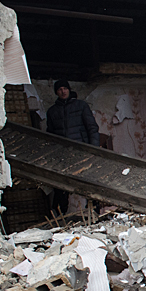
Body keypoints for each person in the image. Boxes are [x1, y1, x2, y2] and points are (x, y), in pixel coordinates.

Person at [46, 79, 100, 214]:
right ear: (56, 92)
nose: (63, 91)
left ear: (69, 90)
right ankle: (61, 215)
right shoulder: (52, 111)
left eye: (65, 88)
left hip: (82, 151)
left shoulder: (81, 106)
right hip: (63, 154)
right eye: (59, 89)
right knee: (62, 185)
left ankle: (95, 211)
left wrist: (93, 149)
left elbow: (92, 128)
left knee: (89, 182)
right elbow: (50, 134)